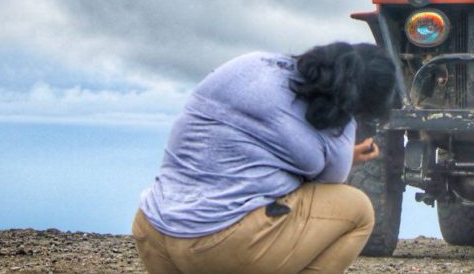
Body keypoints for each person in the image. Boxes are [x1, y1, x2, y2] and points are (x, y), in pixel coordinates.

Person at [132, 42, 397, 274]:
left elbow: (260, 134)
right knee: (358, 209)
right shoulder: (337, 125)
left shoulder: (251, 62)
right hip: (217, 250)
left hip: (153, 231)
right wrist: (347, 149)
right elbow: (325, 186)